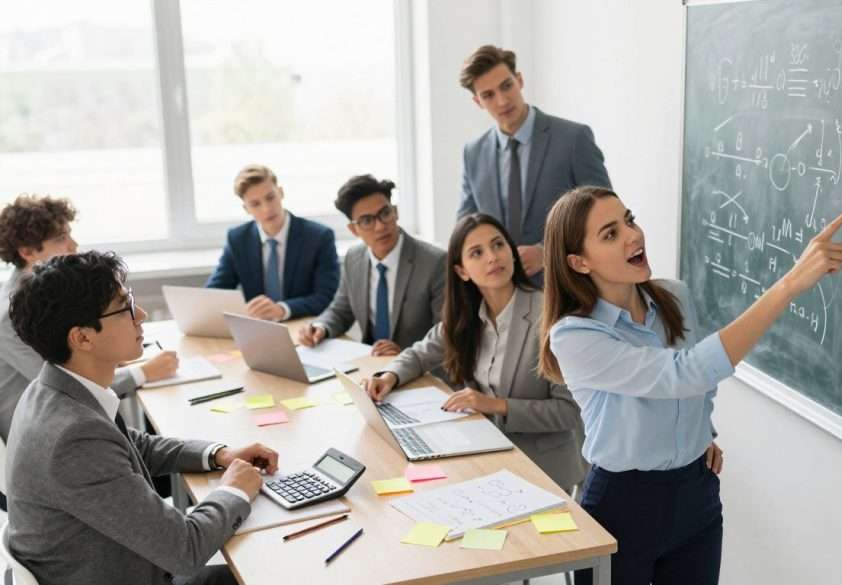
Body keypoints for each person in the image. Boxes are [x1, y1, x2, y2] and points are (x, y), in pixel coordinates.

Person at [538, 186, 842, 585]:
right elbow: (685, 372)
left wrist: (697, 434)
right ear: (579, 262)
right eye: (610, 234)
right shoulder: (575, 335)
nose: (633, 235)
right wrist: (787, 286)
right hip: (622, 505)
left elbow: (699, 388)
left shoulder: (674, 296)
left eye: (629, 220)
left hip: (695, 496)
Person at [6, 251, 280, 585]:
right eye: (125, 307)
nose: (141, 314)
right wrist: (233, 491)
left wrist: (218, 454)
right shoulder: (72, 437)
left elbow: (130, 444)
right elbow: (186, 548)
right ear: (82, 337)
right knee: (272, 570)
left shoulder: (52, 388)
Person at [364, 214, 586, 493]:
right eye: (477, 253)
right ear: (462, 271)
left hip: (544, 469)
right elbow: (421, 353)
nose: (492, 257)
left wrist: (494, 404)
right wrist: (389, 376)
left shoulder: (549, 316)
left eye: (498, 245)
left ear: (512, 253)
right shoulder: (467, 317)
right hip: (487, 454)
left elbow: (568, 413)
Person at [0, 195, 179, 441]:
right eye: (61, 238)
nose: (74, 245)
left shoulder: (46, 295)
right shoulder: (9, 316)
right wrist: (144, 372)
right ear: (27, 252)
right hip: (47, 433)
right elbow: (67, 382)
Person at [456, 45, 612, 282]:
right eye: (488, 95)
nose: (502, 101)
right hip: (503, 296)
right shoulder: (473, 153)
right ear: (477, 101)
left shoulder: (573, 139)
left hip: (567, 288)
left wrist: (546, 253)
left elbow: (605, 216)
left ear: (519, 80)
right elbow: (466, 229)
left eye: (506, 86)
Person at [298, 174, 445, 357]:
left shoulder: (435, 262)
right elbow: (341, 310)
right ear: (353, 229)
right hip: (371, 365)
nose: (380, 226)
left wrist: (407, 356)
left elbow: (446, 334)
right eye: (367, 220)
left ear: (395, 212)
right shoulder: (354, 258)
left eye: (385, 213)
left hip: (421, 371)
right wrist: (320, 327)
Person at [206, 164, 340, 321]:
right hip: (257, 329)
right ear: (246, 209)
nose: (266, 208)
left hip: (303, 327)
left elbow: (326, 297)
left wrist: (282, 309)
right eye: (255, 204)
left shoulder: (319, 237)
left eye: (270, 197)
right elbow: (215, 293)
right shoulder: (238, 239)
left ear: (281, 193)